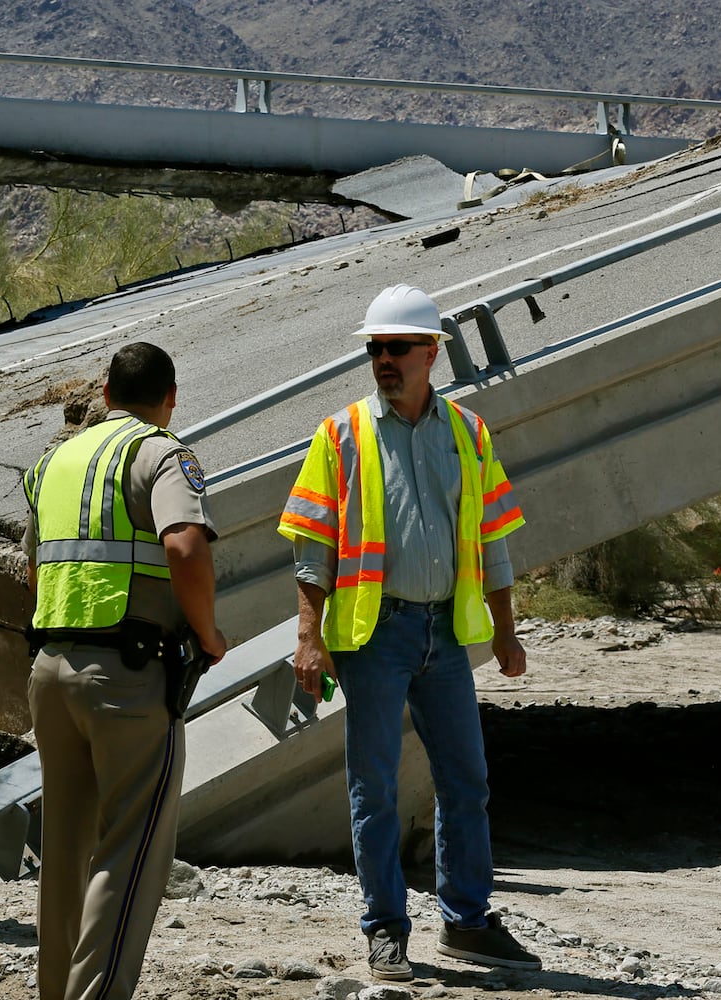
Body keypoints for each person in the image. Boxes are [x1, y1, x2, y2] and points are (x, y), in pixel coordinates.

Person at [277, 285, 540, 981]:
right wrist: (310, 636)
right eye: (374, 349)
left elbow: (495, 542)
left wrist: (506, 633)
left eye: (396, 348)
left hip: (446, 635)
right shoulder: (340, 435)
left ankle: (466, 921)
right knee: (376, 789)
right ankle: (386, 930)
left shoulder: (469, 433)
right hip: (373, 635)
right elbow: (312, 547)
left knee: (467, 781)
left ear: (431, 354)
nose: (383, 360)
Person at [22, 342, 228, 1000]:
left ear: (105, 393)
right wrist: (209, 633)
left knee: (65, 853)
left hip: (50, 672)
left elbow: (32, 566)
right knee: (130, 855)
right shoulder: (161, 453)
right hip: (128, 677)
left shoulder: (52, 463)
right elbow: (185, 546)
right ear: (171, 399)